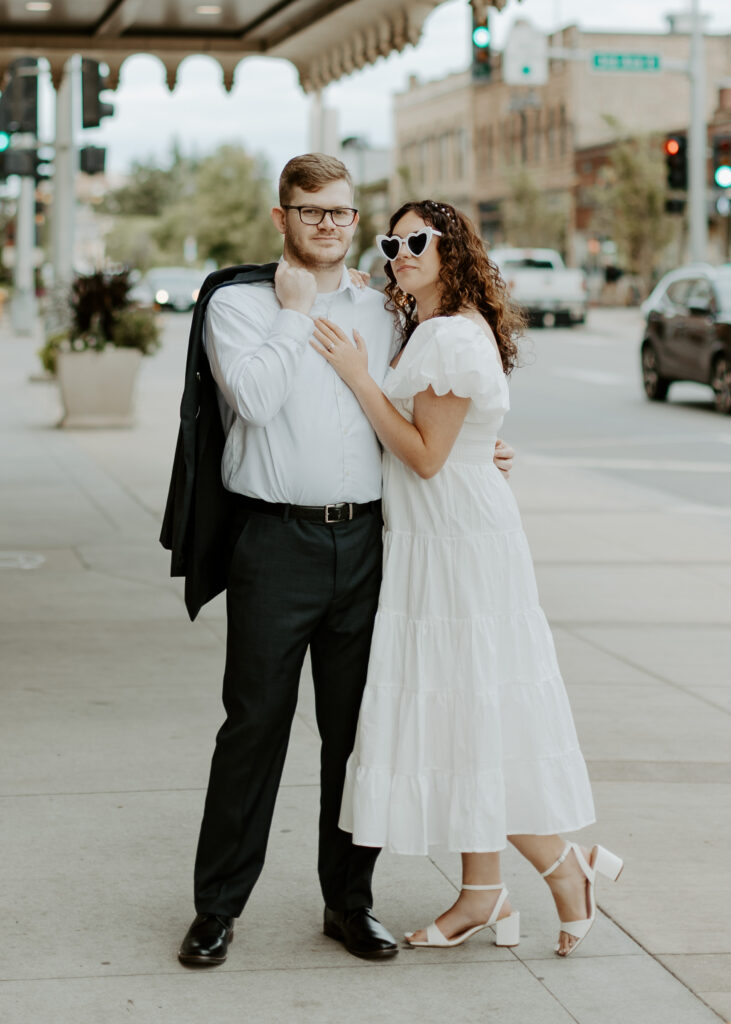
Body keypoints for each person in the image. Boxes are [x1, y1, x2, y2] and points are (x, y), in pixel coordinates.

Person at [176, 156, 515, 968]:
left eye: (339, 212)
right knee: (252, 728)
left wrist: (477, 450)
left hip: (367, 543)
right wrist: (294, 315)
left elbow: (419, 406)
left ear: (353, 220)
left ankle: (347, 903)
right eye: (309, 211)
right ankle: (217, 909)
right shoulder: (236, 304)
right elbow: (251, 401)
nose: (326, 225)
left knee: (353, 736)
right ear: (280, 216)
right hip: (273, 542)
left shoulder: (383, 307)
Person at [310, 199, 622, 958]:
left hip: (455, 544)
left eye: (416, 240)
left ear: (452, 249)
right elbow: (453, 440)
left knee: (469, 717)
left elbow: (422, 454)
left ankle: (561, 865)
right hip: (439, 535)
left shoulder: (447, 335)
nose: (399, 252)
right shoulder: (438, 329)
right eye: (391, 242)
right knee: (463, 716)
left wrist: (357, 376)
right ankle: (483, 893)